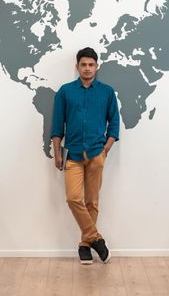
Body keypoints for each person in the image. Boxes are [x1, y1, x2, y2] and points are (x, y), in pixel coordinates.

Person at [51, 47, 120, 265]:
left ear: (96, 67)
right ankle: (96, 239)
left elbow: (114, 124)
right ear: (77, 67)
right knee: (73, 198)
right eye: (83, 64)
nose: (87, 68)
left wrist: (105, 149)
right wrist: (56, 152)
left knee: (92, 201)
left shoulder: (107, 92)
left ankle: (84, 245)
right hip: (72, 154)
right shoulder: (65, 91)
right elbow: (56, 124)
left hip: (96, 153)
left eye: (91, 64)